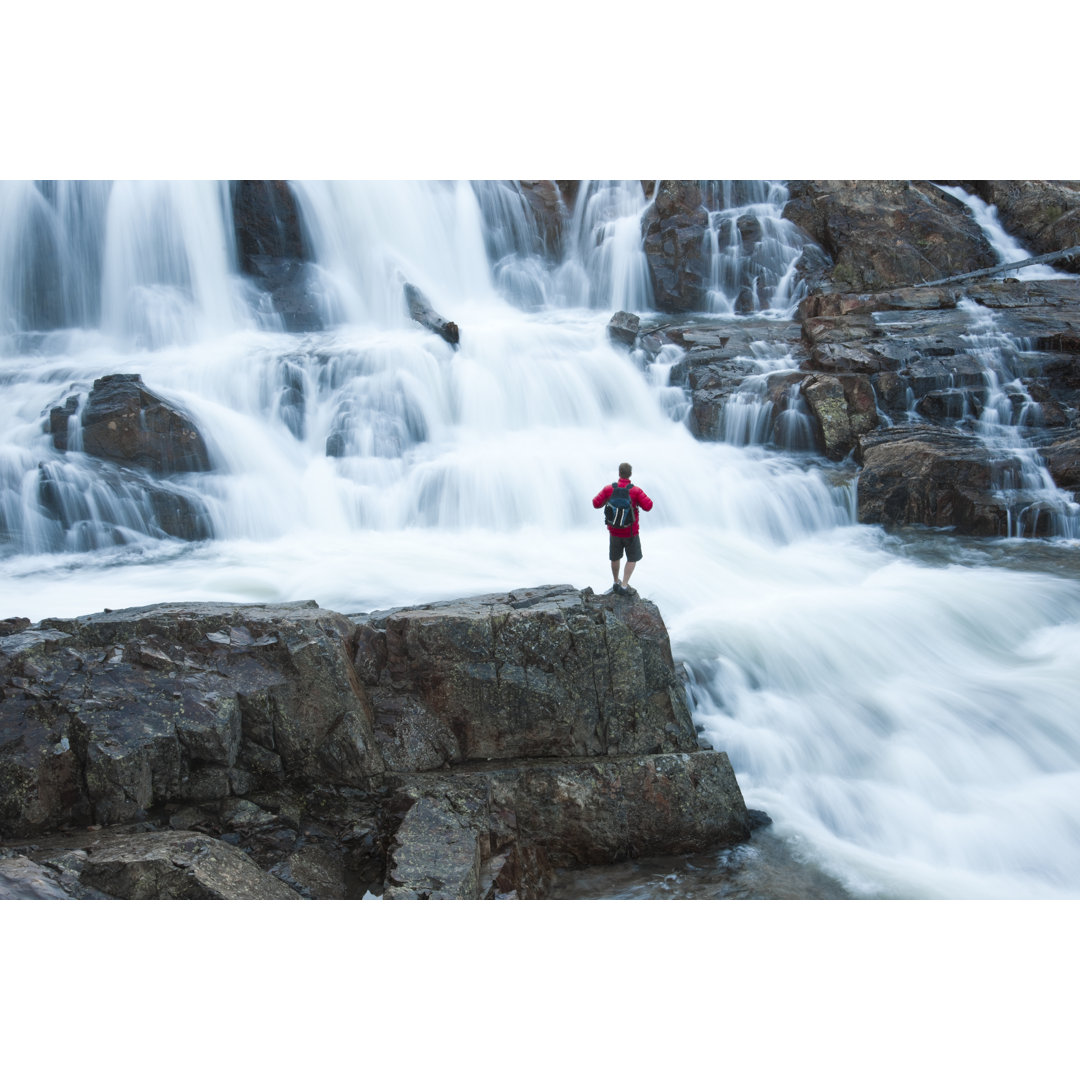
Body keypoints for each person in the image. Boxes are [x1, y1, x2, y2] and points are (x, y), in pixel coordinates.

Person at [593, 462, 653, 596]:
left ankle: (615, 582)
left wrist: (607, 501)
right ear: (630, 474)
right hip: (631, 532)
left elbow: (595, 503)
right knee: (632, 557)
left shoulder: (609, 489)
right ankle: (624, 585)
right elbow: (648, 506)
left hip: (614, 531)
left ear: (619, 473)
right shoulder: (636, 491)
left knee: (615, 557)